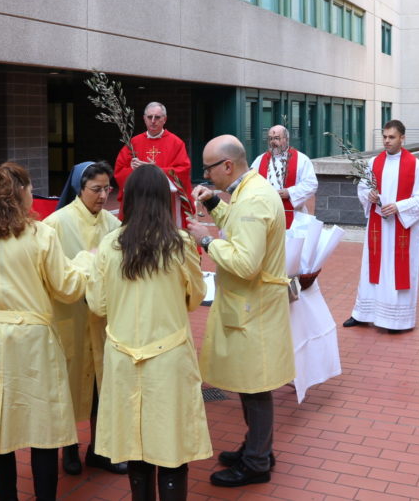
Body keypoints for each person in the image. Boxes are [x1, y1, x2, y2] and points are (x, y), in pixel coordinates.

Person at [0, 162, 92, 501]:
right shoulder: (40, 235)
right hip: (31, 341)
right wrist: (86, 261)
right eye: (28, 189)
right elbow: (68, 288)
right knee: (43, 427)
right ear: (20, 195)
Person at [88, 164, 211, 501]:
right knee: (172, 446)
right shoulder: (179, 243)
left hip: (123, 357)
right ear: (162, 199)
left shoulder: (111, 244)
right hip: (169, 356)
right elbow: (194, 299)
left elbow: (98, 305)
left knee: (135, 445)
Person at [186, 135, 294, 488]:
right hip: (254, 304)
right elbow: (238, 224)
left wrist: (205, 239)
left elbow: (246, 262)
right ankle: (256, 446)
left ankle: (257, 462)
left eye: (208, 169)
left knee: (256, 387)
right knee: (252, 384)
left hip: (254, 306)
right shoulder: (252, 190)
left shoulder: (253, 199)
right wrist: (216, 203)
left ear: (228, 166)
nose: (206, 175)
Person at [42, 161, 126, 476]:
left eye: (108, 189)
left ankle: (99, 449)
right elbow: (50, 274)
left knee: (101, 386)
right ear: (80, 188)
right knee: (67, 384)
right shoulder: (55, 224)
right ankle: (69, 448)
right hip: (69, 316)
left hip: (102, 320)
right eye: (96, 189)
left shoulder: (113, 225)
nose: (103, 196)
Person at [343, 120, 419, 332]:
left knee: (394, 271)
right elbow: (363, 189)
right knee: (371, 269)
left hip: (400, 228)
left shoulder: (414, 165)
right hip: (378, 227)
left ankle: (395, 319)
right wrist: (369, 195)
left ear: (403, 138)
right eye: (384, 137)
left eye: (391, 137)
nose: (386, 141)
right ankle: (363, 313)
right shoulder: (374, 162)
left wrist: (399, 207)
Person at [114, 102, 192, 214]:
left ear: (164, 119)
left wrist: (156, 170)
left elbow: (183, 171)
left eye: (157, 117)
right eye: (150, 117)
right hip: (139, 199)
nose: (153, 120)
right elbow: (119, 171)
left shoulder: (176, 143)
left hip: (165, 200)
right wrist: (133, 169)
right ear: (144, 119)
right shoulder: (133, 143)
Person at [251, 125, 318, 228]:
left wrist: (290, 193)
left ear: (286, 139)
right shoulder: (260, 160)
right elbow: (250, 183)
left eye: (277, 138)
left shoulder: (301, 159)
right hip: (265, 213)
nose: (273, 142)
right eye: (270, 138)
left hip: (293, 216)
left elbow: (311, 184)